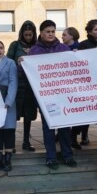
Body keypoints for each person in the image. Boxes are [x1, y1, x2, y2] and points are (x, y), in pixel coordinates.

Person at [30, 20, 76, 170]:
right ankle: (51, 157)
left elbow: (75, 66)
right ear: (41, 33)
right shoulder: (34, 51)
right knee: (48, 127)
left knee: (64, 127)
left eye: (53, 31)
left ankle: (67, 155)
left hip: (63, 95)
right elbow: (28, 73)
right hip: (46, 97)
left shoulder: (64, 48)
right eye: (47, 31)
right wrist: (21, 64)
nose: (50, 34)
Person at [7, 20, 38, 152]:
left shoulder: (37, 46)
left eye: (30, 34)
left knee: (29, 116)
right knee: (14, 115)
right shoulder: (15, 45)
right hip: (18, 84)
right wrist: (17, 61)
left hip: (31, 86)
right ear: (21, 34)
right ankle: (11, 143)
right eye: (26, 35)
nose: (28, 37)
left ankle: (26, 141)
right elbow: (8, 61)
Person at [75, 20, 97, 148]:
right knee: (87, 111)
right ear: (89, 32)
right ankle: (80, 135)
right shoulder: (84, 44)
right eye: (95, 29)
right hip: (88, 83)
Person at [0, 40, 18, 171]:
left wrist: (9, 101)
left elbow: (13, 82)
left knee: (9, 130)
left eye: (1, 47)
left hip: (7, 99)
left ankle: (8, 160)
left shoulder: (10, 63)